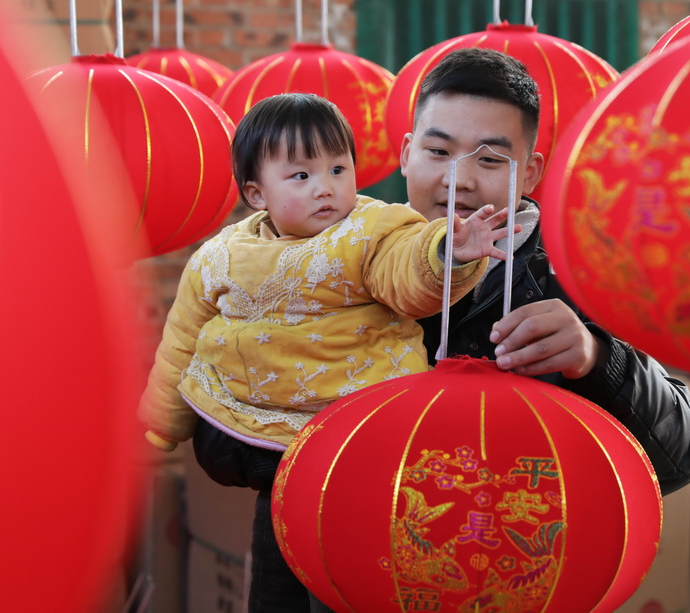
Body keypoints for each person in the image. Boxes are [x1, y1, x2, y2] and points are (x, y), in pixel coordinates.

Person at [138, 92, 518, 612]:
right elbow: (181, 339)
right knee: (275, 577)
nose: (326, 188)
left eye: (338, 169)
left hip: (356, 440)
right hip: (262, 435)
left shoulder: (372, 229)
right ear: (256, 193)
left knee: (344, 581)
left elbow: (406, 273)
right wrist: (164, 422)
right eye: (301, 176)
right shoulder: (220, 256)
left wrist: (447, 251)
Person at [400, 47, 690, 496]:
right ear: (408, 153)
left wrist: (599, 359)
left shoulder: (582, 275)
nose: (459, 179)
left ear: (528, 173)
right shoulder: (349, 261)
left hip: (525, 535)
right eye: (438, 151)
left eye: (489, 160)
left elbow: (681, 460)